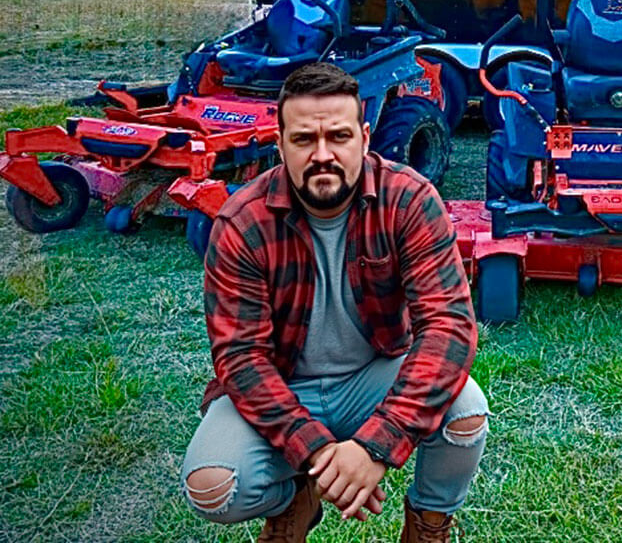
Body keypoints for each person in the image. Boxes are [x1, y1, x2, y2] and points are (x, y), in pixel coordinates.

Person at [180, 62, 487, 543]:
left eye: (339, 137)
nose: (322, 154)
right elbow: (241, 358)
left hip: (374, 375)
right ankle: (294, 501)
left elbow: (447, 326)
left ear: (364, 138)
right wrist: (319, 453)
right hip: (286, 383)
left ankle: (428, 524)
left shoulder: (408, 200)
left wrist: (376, 445)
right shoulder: (242, 221)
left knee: (466, 410)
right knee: (212, 487)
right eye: (304, 139)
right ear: (280, 144)